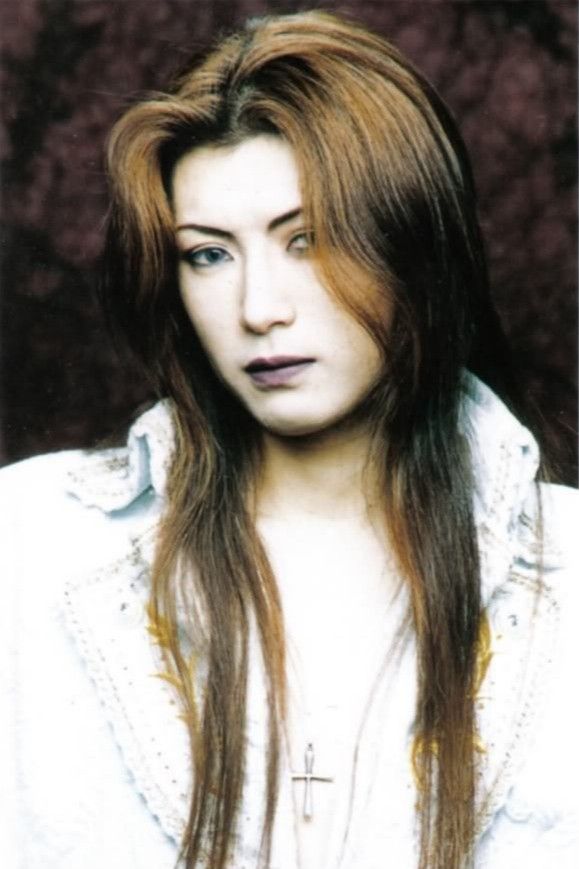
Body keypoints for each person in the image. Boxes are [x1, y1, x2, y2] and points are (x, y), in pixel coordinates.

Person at [0, 10, 577, 869]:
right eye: (207, 255)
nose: (258, 307)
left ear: (412, 244)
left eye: (304, 240)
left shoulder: (566, 569)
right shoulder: (30, 545)